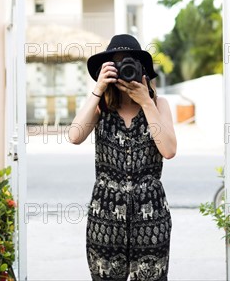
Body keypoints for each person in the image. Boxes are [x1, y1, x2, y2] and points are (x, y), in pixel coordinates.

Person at [69, 34, 177, 281]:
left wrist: (146, 102)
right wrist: (98, 89)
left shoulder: (159, 105)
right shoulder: (101, 107)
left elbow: (169, 150)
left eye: (129, 64)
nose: (123, 70)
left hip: (150, 213)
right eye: (116, 65)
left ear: (142, 71)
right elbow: (74, 136)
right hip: (106, 212)